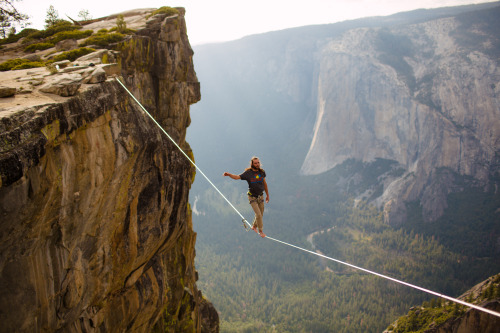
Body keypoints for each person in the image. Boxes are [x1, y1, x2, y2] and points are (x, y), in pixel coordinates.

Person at [223, 157, 269, 237]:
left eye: (258, 163)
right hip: (252, 197)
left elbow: (265, 184)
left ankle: (254, 226)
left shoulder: (261, 172)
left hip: (260, 196)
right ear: (252, 164)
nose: (257, 164)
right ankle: (260, 231)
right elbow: (237, 177)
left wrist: (267, 195)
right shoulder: (248, 173)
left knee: (261, 214)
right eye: (255, 163)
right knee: (258, 214)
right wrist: (229, 175)